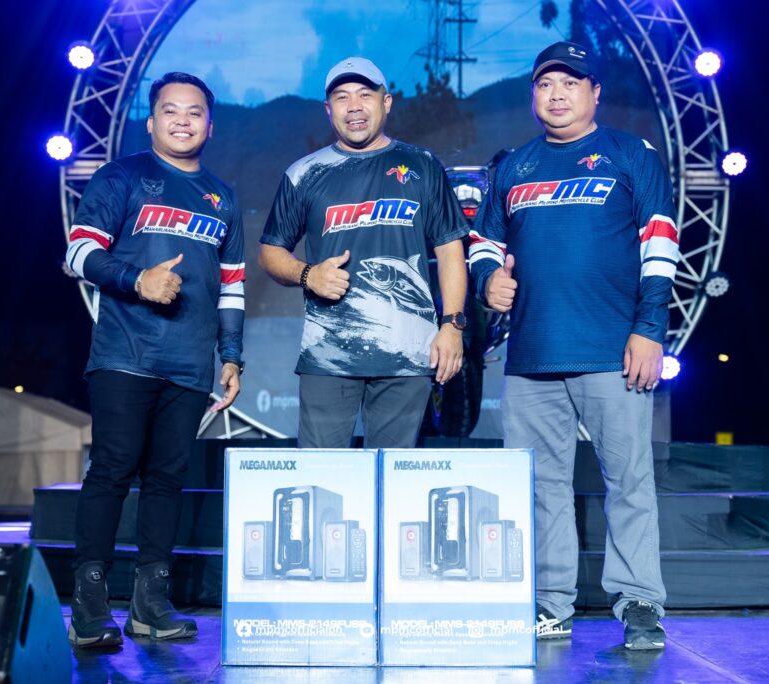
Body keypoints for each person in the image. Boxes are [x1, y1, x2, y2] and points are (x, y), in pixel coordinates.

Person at [469, 42, 679, 650]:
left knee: (629, 482)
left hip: (614, 351)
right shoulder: (515, 166)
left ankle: (639, 601)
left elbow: (660, 244)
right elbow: (483, 242)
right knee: (541, 487)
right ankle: (549, 602)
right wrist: (488, 279)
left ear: (594, 93)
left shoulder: (630, 154)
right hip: (531, 357)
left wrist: (649, 329)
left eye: (570, 82)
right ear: (533, 95)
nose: (556, 94)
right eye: (545, 84)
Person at [63, 72, 245, 647]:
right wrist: (136, 279)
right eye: (171, 111)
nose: (182, 121)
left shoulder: (222, 197)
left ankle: (150, 605)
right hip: (124, 355)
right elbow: (78, 252)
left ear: (210, 125)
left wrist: (232, 355)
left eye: (194, 112)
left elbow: (233, 286)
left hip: (190, 364)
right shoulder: (122, 176)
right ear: (151, 121)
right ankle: (90, 606)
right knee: (112, 470)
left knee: (167, 480)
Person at [258, 57, 467, 448]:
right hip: (327, 355)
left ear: (386, 102)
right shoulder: (304, 173)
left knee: (392, 475)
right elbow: (270, 252)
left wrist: (452, 326)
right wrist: (308, 274)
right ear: (328, 109)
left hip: (409, 356)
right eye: (342, 97)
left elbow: (450, 249)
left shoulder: (422, 165)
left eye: (364, 95)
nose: (353, 106)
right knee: (320, 475)